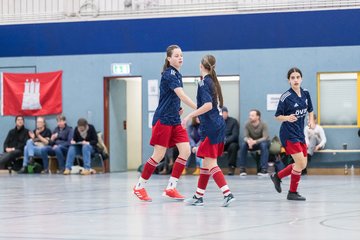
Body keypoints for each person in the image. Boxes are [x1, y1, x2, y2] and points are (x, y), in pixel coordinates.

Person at [133, 45, 197, 201]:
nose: (180, 58)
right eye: (176, 56)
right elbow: (181, 94)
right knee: (159, 154)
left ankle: (171, 188)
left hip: (175, 119)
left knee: (186, 150)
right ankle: (139, 186)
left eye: (181, 55)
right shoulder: (169, 74)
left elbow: (172, 97)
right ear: (169, 58)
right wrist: (199, 108)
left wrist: (178, 109)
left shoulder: (178, 74)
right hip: (163, 120)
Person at [182, 54, 235, 207]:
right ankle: (198, 196)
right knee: (206, 162)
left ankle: (227, 193)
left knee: (211, 162)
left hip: (211, 127)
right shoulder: (213, 82)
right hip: (216, 126)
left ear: (201, 66)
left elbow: (207, 106)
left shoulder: (204, 83)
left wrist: (189, 115)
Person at [270, 67, 315, 201]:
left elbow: (310, 110)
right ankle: (292, 192)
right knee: (300, 164)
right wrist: (287, 117)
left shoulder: (306, 93)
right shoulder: (286, 97)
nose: (295, 80)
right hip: (288, 134)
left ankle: (277, 177)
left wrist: (311, 120)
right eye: (292, 78)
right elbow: (277, 116)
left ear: (301, 79)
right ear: (289, 80)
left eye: (297, 77)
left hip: (299, 133)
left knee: (302, 164)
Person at [239, 109, 270, 176]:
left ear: (258, 117)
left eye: (252, 115)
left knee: (264, 145)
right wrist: (249, 141)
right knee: (243, 144)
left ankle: (264, 169)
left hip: (261, 143)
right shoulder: (247, 124)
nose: (250, 117)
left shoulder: (263, 124)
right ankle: (242, 169)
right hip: (251, 144)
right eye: (250, 115)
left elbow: (265, 137)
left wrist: (255, 141)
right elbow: (245, 136)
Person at [221, 107, 240, 175]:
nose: (223, 115)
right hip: (218, 143)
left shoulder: (233, 121)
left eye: (224, 113)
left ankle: (231, 167)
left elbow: (235, 135)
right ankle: (210, 168)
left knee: (233, 146)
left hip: (229, 143)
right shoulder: (215, 122)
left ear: (227, 113)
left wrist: (224, 141)